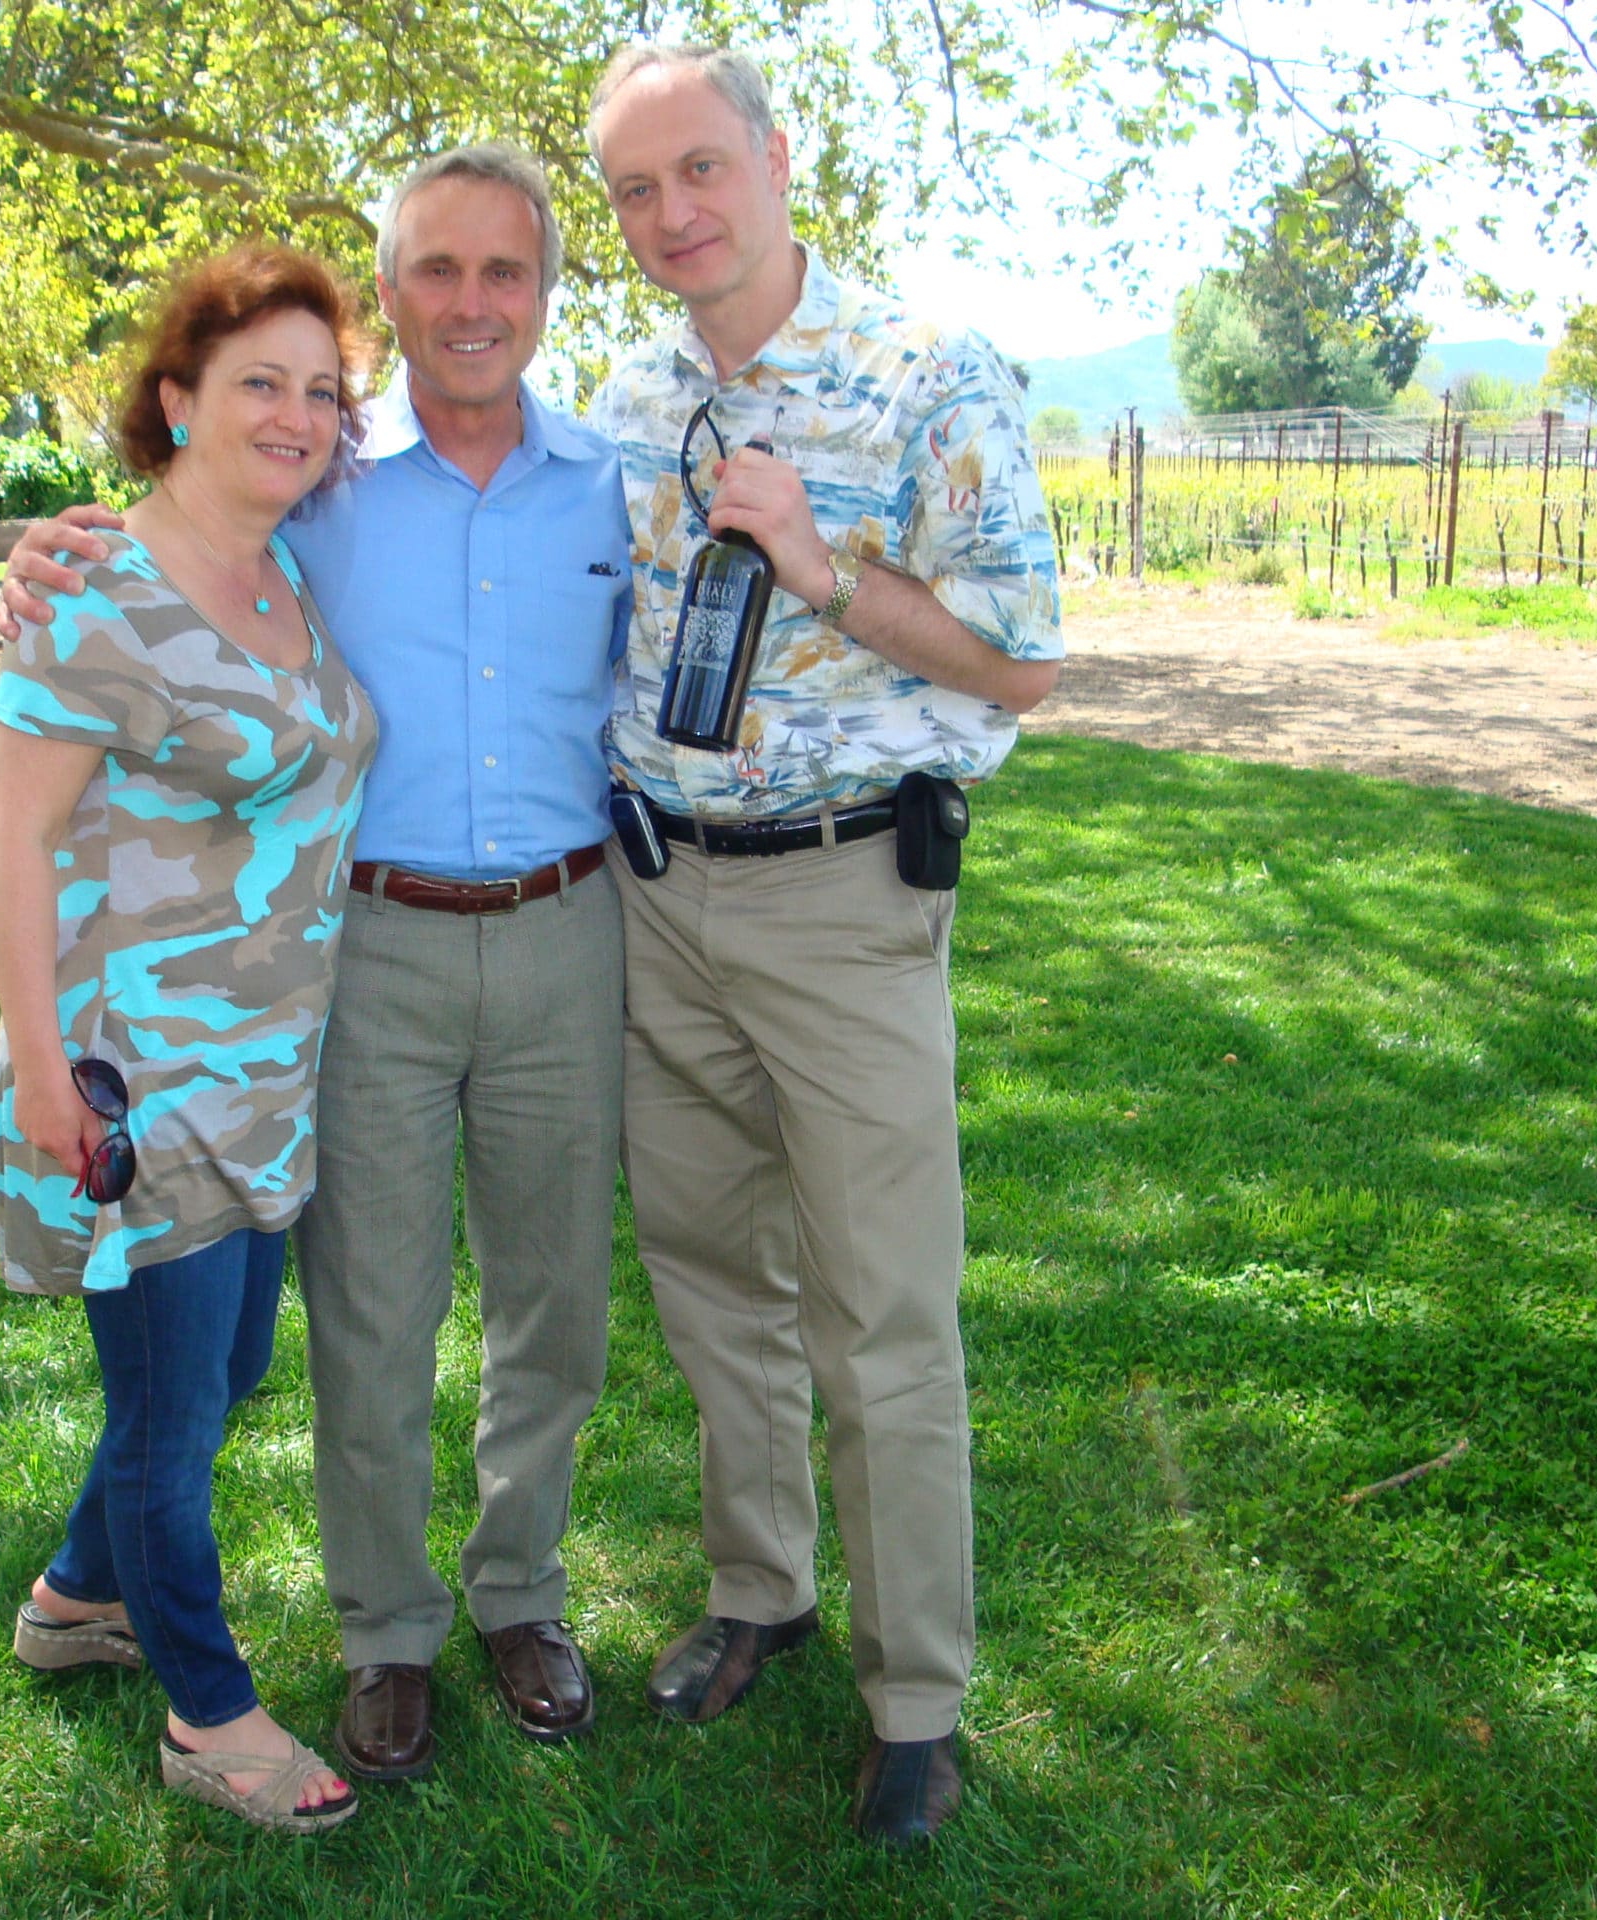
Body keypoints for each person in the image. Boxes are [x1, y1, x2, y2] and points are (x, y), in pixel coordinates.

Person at [0, 145, 633, 1785]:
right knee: (369, 1315)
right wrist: (51, 552)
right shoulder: (321, 490)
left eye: (506, 273)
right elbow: (159, 541)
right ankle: (385, 1633)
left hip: (571, 932)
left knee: (554, 1303)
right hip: (374, 956)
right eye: (437, 270)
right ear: (397, 295)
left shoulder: (617, 486)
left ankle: (520, 1590)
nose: (472, 304)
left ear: (547, 295)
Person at [585, 43, 1062, 1850]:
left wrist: (823, 569)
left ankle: (917, 1693)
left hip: (848, 905)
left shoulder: (927, 376)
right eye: (634, 190)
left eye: (698, 169)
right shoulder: (622, 397)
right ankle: (760, 1591)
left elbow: (1021, 659)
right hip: (656, 895)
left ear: (779, 160)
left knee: (883, 1314)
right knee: (714, 1287)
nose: (672, 215)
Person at [0, 244, 379, 1837]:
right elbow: (11, 842)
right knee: (169, 1418)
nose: (295, 414)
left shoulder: (294, 566)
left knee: (223, 1368)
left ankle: (76, 1597)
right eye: (258, 383)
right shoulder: (94, 591)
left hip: (267, 1065)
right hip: (130, 1077)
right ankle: (207, 1717)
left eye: (322, 389)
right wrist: (47, 1078)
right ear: (178, 401)